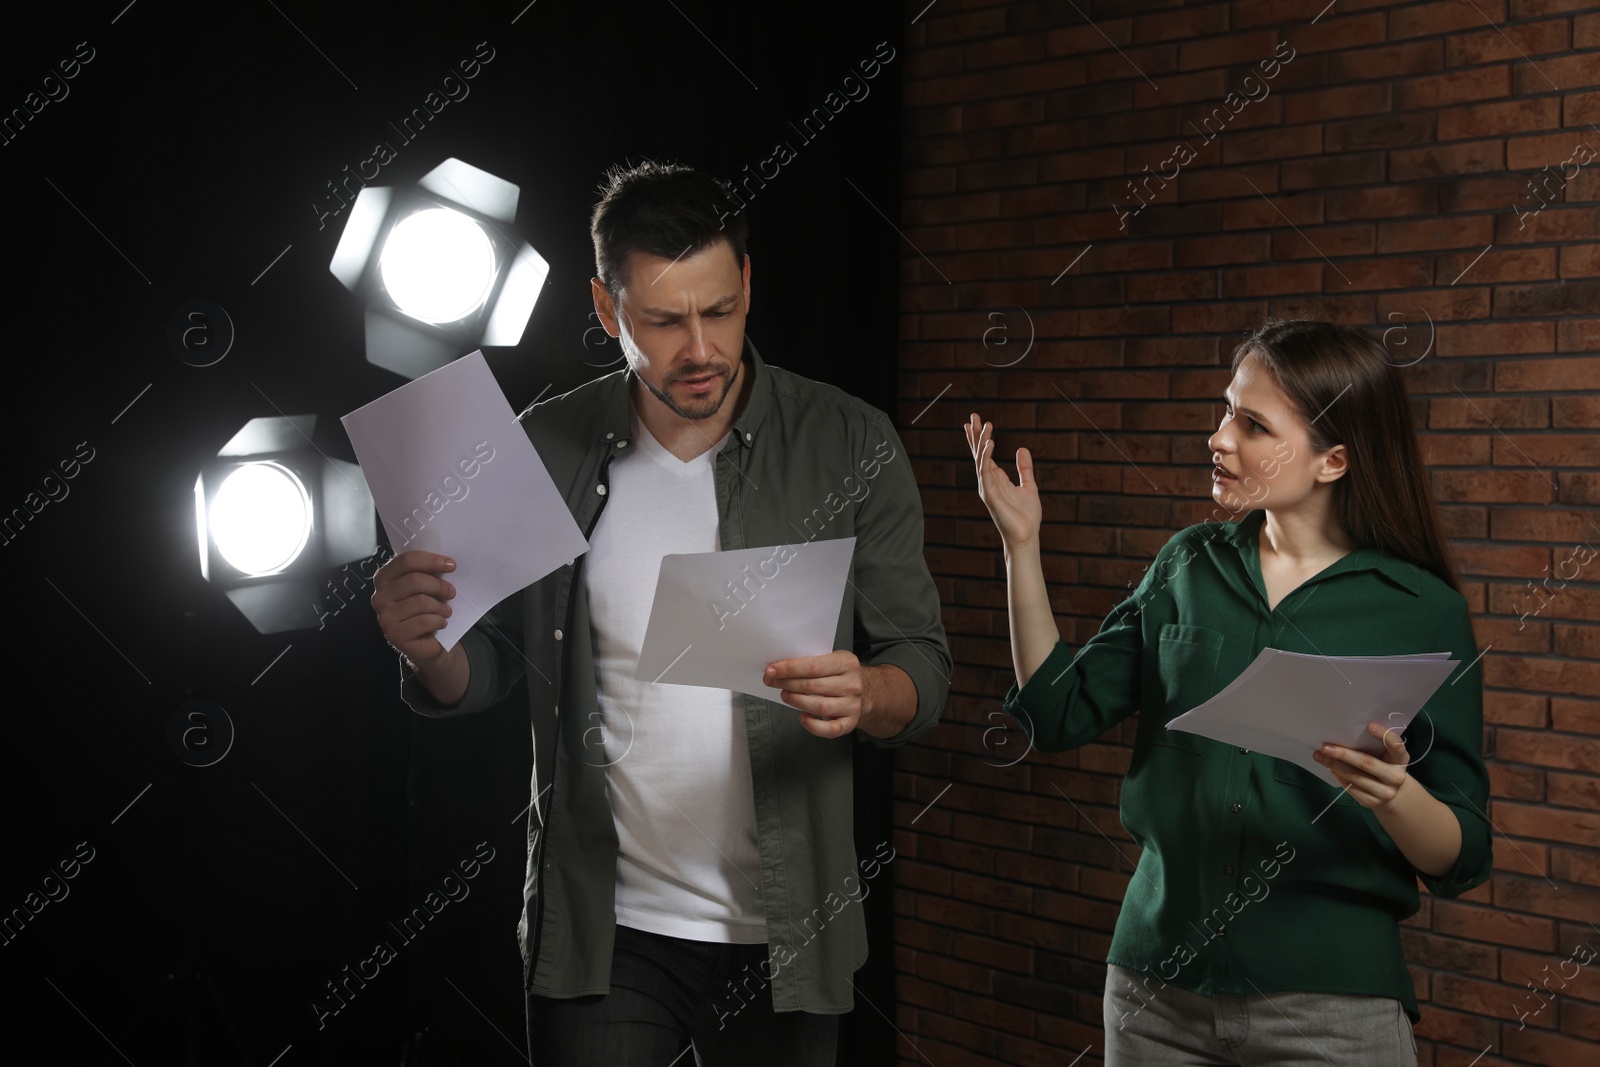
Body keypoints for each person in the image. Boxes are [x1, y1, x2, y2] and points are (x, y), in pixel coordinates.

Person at [369, 160, 950, 1066]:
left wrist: (870, 692)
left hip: (787, 928)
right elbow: (492, 666)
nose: (700, 349)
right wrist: (428, 646)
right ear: (607, 311)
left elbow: (924, 662)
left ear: (748, 284)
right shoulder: (545, 444)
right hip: (610, 928)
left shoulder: (850, 440)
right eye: (664, 320)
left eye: (719, 310)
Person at [965, 319, 1492, 1066]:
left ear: (1333, 459)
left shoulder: (1421, 610)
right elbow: (1056, 711)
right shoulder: (1188, 565)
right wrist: (1022, 547)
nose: (1218, 437)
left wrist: (1394, 794)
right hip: (1155, 996)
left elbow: (1464, 854)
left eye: (1251, 423)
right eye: (1224, 410)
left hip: (1332, 1007)